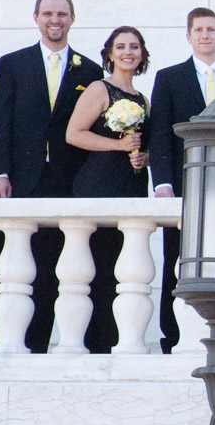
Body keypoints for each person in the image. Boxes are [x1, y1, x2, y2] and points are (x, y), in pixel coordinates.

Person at [0, 0, 103, 354]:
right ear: (36, 18)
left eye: (62, 14)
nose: (55, 20)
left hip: (67, 183)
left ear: (72, 19)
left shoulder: (90, 71)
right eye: (48, 13)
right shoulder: (12, 64)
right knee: (7, 265)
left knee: (53, 269)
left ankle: (36, 346)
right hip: (19, 180)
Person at [149, 7, 215, 353]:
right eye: (199, 30)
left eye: (211, 29)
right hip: (184, 184)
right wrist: (162, 182)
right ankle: (172, 337)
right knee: (177, 260)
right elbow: (160, 134)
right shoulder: (169, 77)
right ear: (189, 36)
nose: (205, 35)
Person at [65, 26, 151, 354]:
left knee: (124, 266)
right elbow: (74, 133)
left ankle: (118, 339)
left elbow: (144, 144)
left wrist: (143, 156)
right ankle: (92, 342)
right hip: (99, 184)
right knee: (96, 264)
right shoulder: (99, 89)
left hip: (131, 184)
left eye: (134, 47)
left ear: (142, 54)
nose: (128, 52)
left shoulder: (143, 99)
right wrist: (117, 146)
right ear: (111, 54)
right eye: (121, 47)